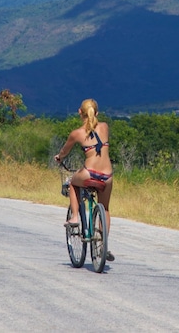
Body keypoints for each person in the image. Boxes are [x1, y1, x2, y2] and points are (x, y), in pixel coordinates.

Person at [54, 98, 115, 261]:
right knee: (105, 208)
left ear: (79, 112)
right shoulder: (105, 127)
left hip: (90, 173)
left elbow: (64, 151)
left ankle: (74, 216)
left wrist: (59, 157)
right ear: (97, 113)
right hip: (107, 176)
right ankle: (103, 245)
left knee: (73, 183)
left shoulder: (77, 134)